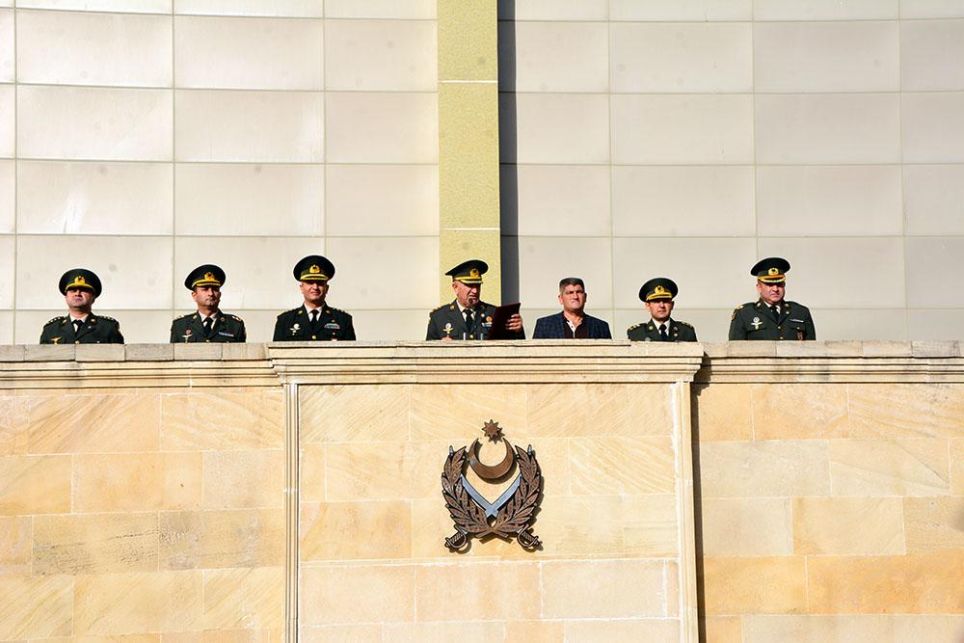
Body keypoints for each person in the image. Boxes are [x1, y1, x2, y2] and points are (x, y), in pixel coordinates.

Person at [426, 259, 525, 340]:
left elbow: (514, 348)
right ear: (455, 287)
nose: (475, 291)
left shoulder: (494, 314)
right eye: (470, 285)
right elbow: (427, 354)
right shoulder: (439, 317)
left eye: (477, 285)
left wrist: (518, 331)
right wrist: (440, 347)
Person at [728, 257, 815, 340]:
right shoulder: (744, 314)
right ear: (759, 287)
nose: (775, 289)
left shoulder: (800, 312)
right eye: (769, 285)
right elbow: (735, 348)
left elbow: (812, 348)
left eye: (779, 284)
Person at [273, 255, 355, 341]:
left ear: (326, 288)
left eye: (320, 283)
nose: (315, 287)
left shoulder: (343, 320)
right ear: (301, 287)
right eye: (310, 282)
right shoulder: (285, 321)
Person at [40, 268, 124, 344]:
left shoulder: (107, 328)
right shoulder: (51, 329)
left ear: (93, 297)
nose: (77, 294)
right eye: (73, 290)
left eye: (84, 290)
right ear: (66, 297)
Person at [170, 264, 246, 343]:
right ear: (194, 295)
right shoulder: (180, 325)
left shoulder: (234, 325)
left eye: (215, 289)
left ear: (219, 294)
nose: (211, 293)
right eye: (205, 289)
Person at [533, 277, 611, 339]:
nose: (575, 296)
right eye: (570, 293)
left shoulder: (601, 326)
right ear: (561, 299)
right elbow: (534, 353)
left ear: (585, 297)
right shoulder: (544, 325)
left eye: (579, 292)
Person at [627, 277, 697, 342]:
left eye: (665, 301)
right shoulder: (637, 334)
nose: (662, 305)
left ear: (672, 305)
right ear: (648, 306)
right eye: (656, 301)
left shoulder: (686, 332)